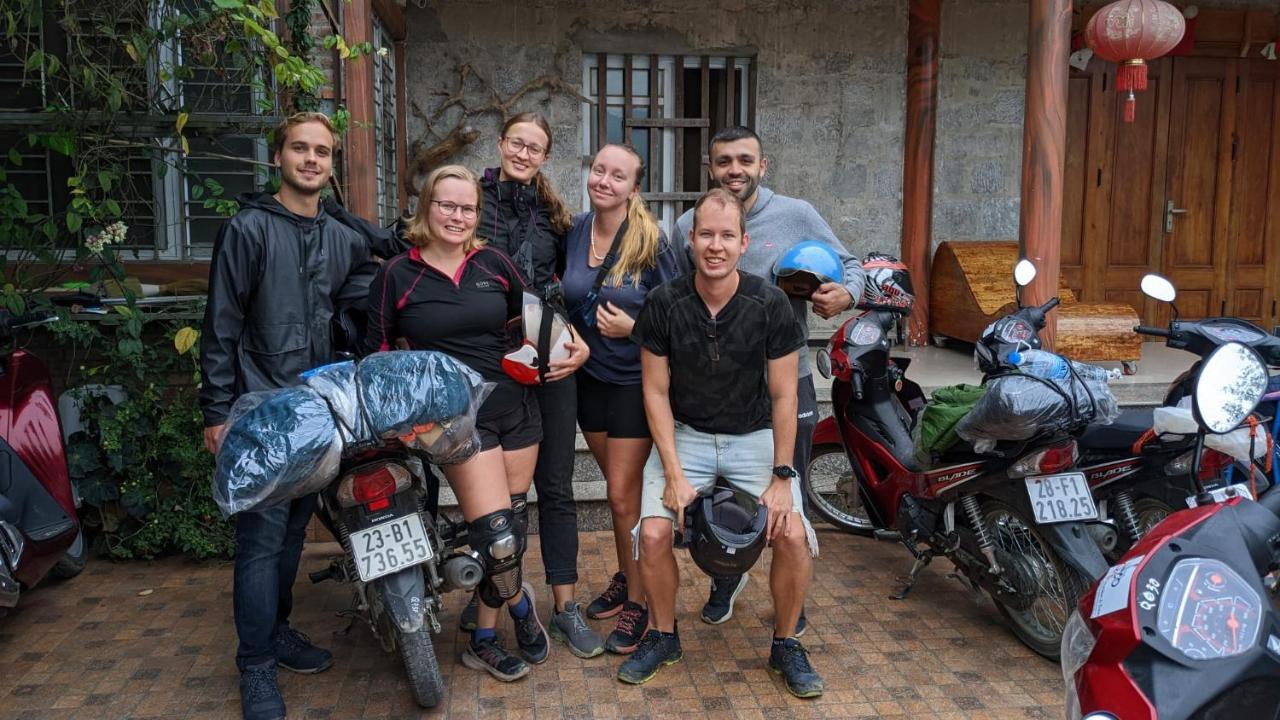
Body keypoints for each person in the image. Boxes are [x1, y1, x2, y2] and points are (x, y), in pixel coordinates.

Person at [200, 112, 380, 720]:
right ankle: (253, 667)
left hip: (319, 408)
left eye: (322, 152)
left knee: (295, 531)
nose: (311, 159)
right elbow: (221, 324)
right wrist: (217, 412)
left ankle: (276, 632)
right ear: (278, 156)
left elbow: (387, 258)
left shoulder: (340, 233)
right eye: (300, 148)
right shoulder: (248, 229)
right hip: (258, 409)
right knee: (259, 540)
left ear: (331, 165)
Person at [620, 188, 823, 698]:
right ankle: (664, 635)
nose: (716, 245)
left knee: (793, 535)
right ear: (691, 240)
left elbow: (783, 397)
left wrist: (782, 476)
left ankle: (786, 644)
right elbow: (655, 391)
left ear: (743, 242)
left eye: (726, 236)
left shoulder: (770, 304)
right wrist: (672, 473)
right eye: (706, 234)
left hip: (754, 436)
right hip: (686, 435)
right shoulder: (665, 304)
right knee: (652, 535)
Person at [364, 164, 559, 682]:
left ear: (478, 214)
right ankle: (510, 616)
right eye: (446, 205)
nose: (456, 215)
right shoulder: (396, 275)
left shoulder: (492, 261)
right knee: (498, 536)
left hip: (516, 408)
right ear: (427, 207)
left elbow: (535, 316)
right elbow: (378, 356)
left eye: (467, 207)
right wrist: (400, 420)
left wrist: (568, 347)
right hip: (454, 423)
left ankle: (489, 630)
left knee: (510, 527)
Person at [672, 126, 864, 627]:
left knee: (784, 500)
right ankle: (725, 578)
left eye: (744, 160)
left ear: (763, 166)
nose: (734, 169)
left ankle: (788, 609)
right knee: (722, 496)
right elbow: (674, 294)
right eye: (724, 161)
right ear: (710, 168)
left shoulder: (796, 214)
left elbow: (849, 265)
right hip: (714, 392)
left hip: (786, 383)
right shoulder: (688, 225)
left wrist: (849, 294)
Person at [465, 112, 600, 657]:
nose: (523, 153)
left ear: (545, 157)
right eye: (516, 142)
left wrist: (584, 342)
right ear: (500, 144)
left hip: (551, 361)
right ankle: (495, 600)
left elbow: (577, 287)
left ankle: (565, 606)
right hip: (491, 364)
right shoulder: (469, 202)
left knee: (558, 486)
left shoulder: (555, 215)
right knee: (499, 498)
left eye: (535, 147)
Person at [561, 144, 684, 655]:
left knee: (619, 495)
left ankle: (637, 602)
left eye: (618, 175)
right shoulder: (574, 231)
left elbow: (680, 313)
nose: (605, 181)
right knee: (619, 502)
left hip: (636, 382)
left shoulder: (652, 240)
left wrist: (636, 328)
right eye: (598, 170)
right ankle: (625, 573)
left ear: (635, 187)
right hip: (588, 379)